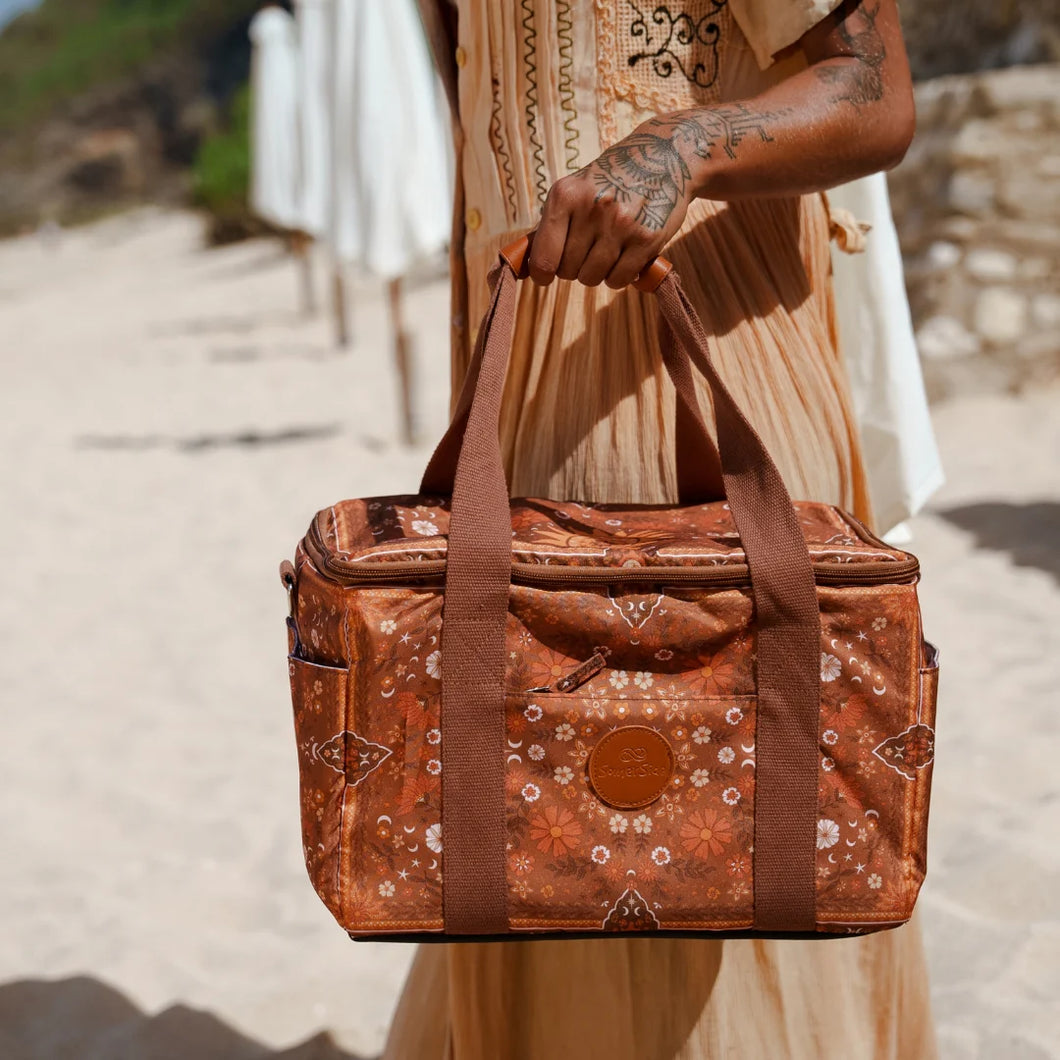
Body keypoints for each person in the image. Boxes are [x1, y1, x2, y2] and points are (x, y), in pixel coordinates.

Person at [388, 1, 937, 1056]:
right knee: (543, 845)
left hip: (711, 370)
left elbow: (873, 91)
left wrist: (678, 143)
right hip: (529, 395)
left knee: (734, 840)